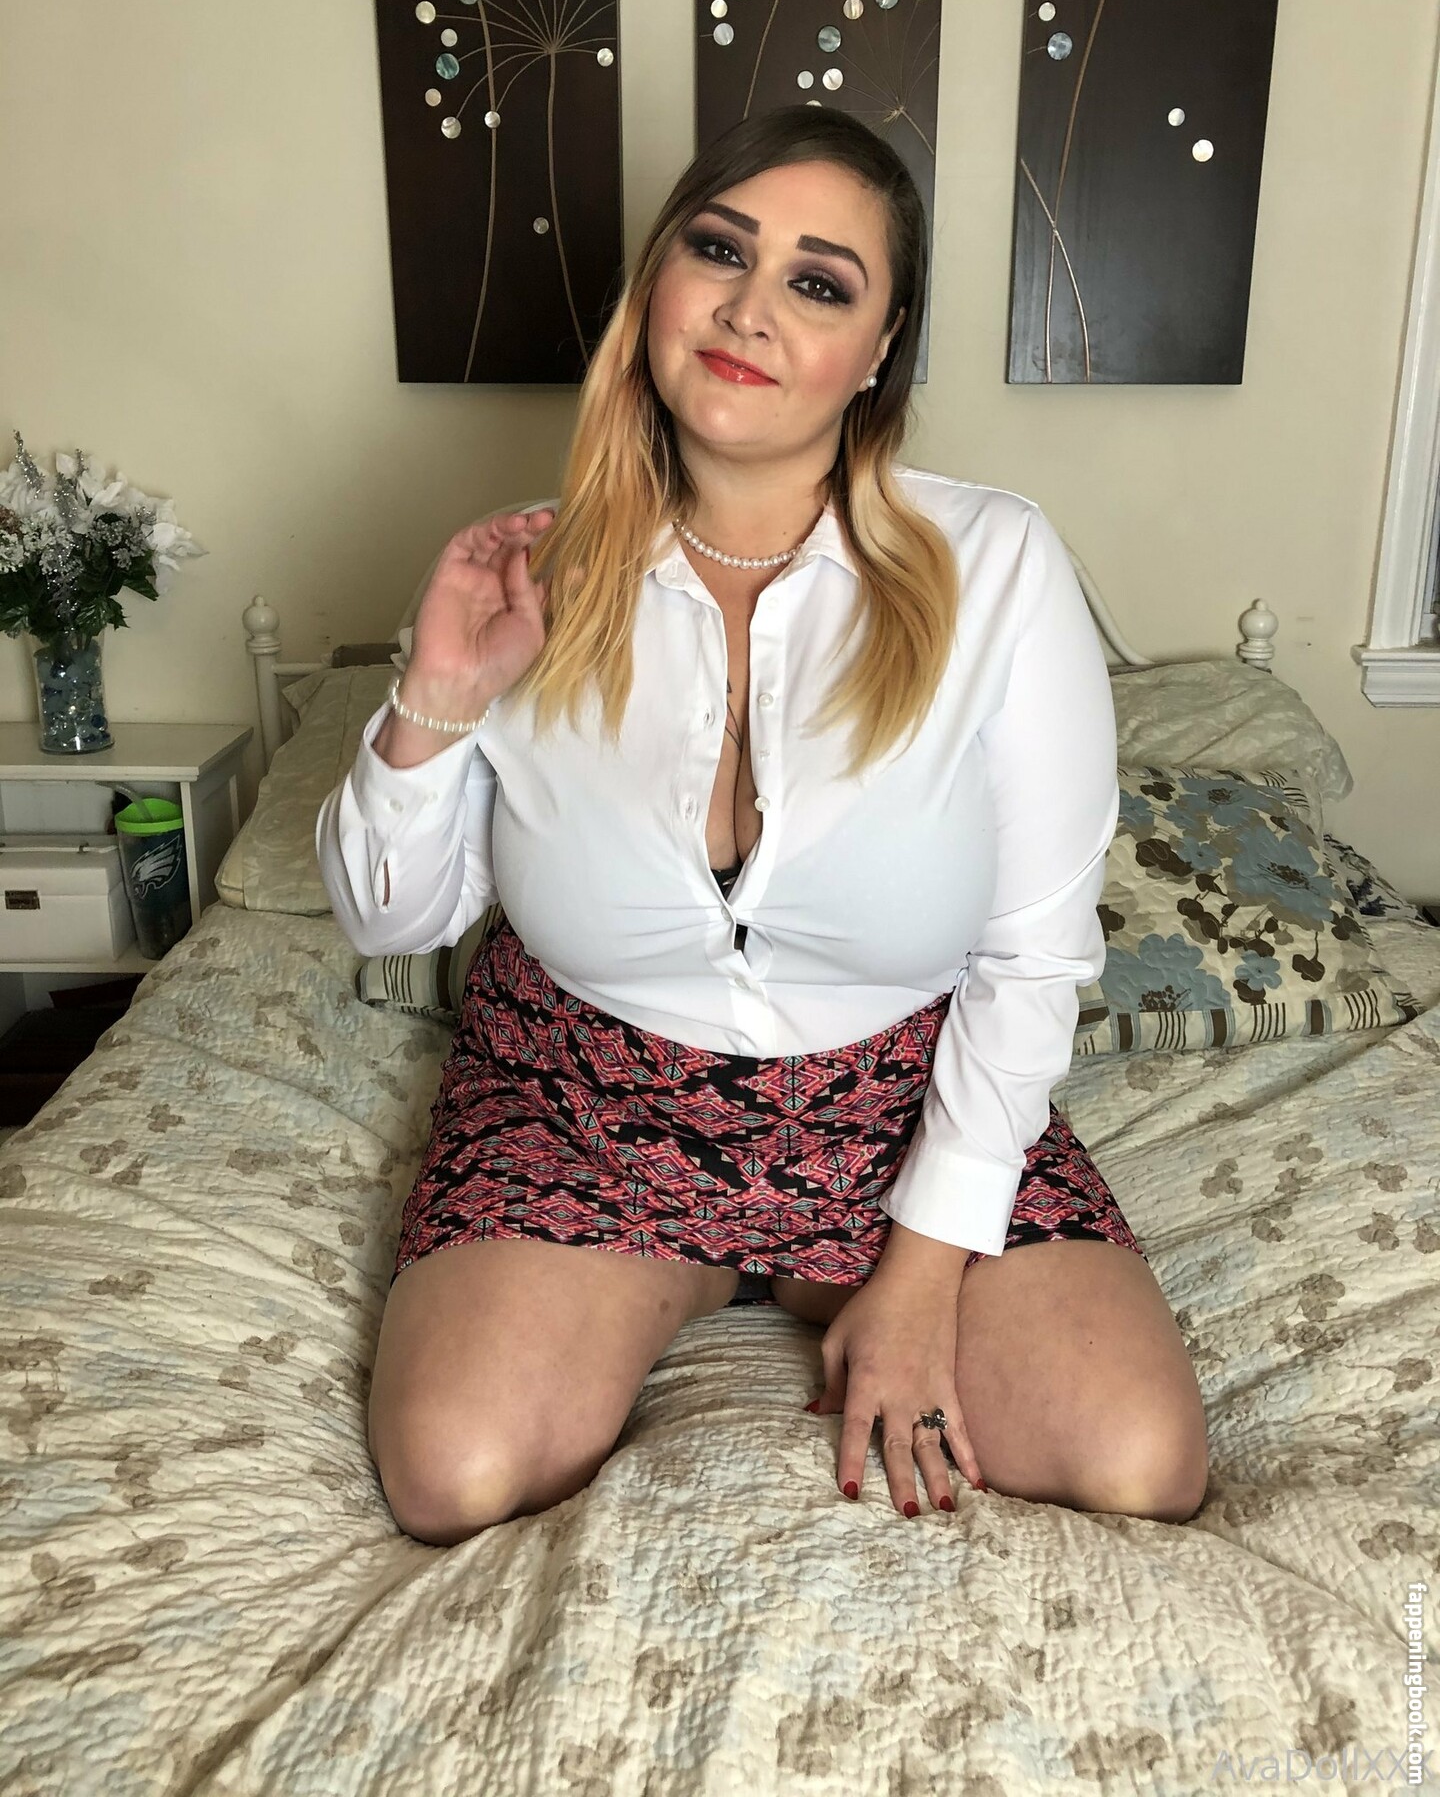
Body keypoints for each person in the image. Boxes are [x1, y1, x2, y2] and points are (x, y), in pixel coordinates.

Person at [317, 105, 1208, 1547]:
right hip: (583, 1102)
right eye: (720, 252)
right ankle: (672, 1270)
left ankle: (809, 1266)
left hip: (894, 1112)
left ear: (879, 348)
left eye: (818, 282)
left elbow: (1034, 959)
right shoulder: (533, 569)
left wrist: (918, 1278)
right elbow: (391, 919)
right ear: (657, 287)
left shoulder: (996, 567)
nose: (750, 310)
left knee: (1136, 1460)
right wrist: (438, 695)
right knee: (458, 1471)